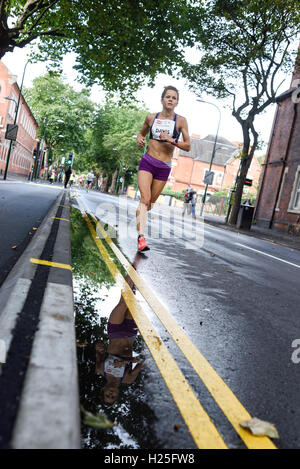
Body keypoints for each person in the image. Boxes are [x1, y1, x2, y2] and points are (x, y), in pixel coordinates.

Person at [136, 86, 191, 251]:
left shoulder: (181, 121)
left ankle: (140, 218)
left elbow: (187, 146)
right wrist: (139, 139)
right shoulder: (151, 118)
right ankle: (141, 238)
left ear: (177, 103)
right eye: (168, 97)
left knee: (149, 203)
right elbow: (141, 134)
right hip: (148, 161)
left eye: (174, 98)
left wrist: (171, 140)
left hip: (164, 166)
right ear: (162, 100)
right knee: (145, 199)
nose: (170, 100)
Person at [95, 275, 145, 405]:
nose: (111, 394)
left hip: (115, 332)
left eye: (107, 395)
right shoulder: (128, 379)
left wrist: (99, 347)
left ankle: (133, 268)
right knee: (132, 300)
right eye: (113, 397)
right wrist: (125, 361)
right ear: (118, 394)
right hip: (130, 333)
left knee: (123, 303)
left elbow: (99, 349)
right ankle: (136, 272)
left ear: (103, 389)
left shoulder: (100, 369)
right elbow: (142, 359)